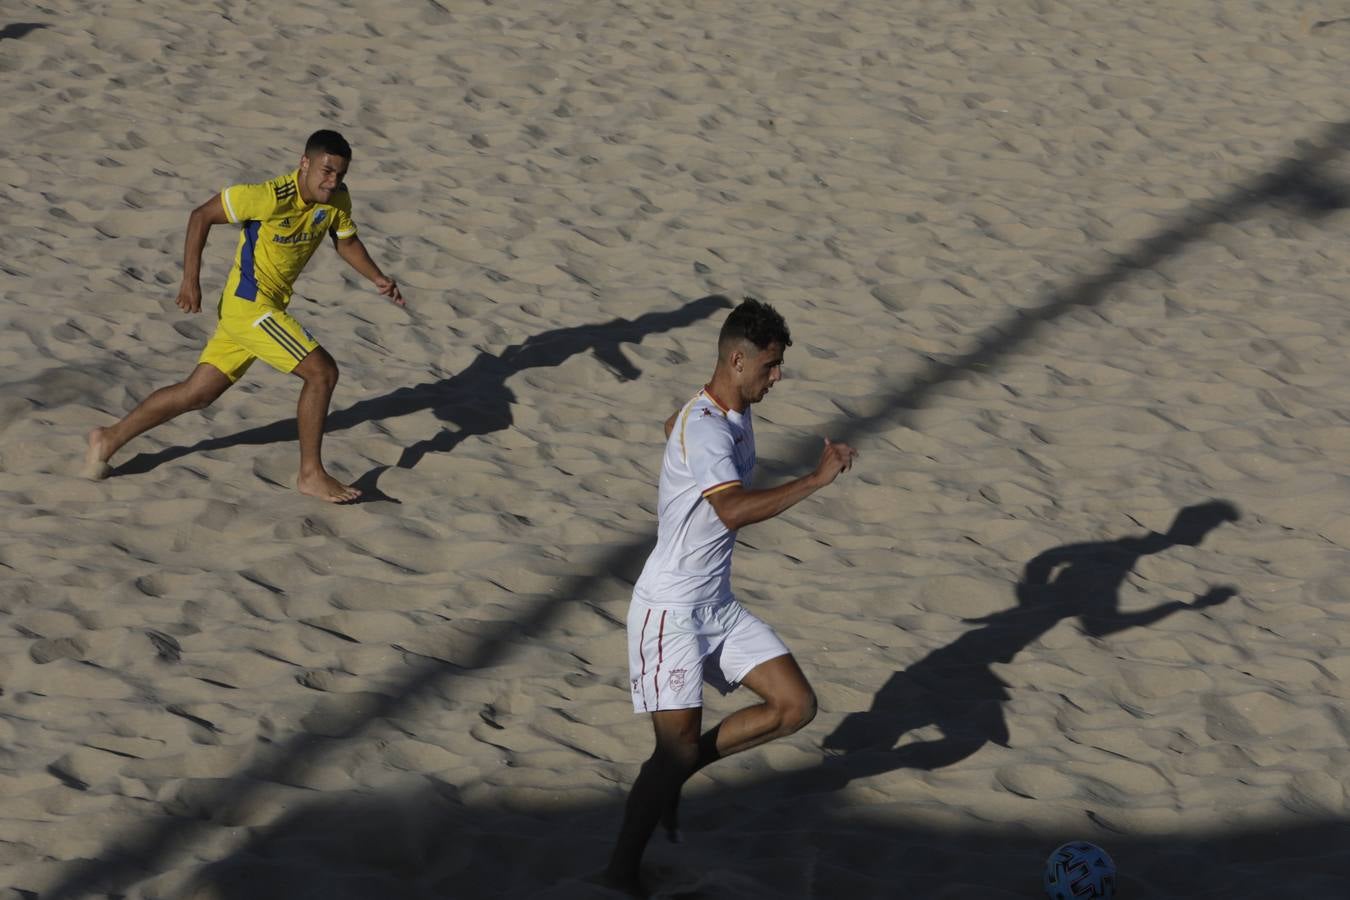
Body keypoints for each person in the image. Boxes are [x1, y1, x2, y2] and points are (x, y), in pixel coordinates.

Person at [605, 298, 858, 894]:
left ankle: (681, 769)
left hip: (715, 604)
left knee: (795, 706)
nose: (779, 376)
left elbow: (673, 428)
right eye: (771, 367)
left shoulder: (724, 411)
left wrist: (683, 437)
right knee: (670, 755)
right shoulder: (708, 425)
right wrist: (814, 481)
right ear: (738, 360)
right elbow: (733, 510)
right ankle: (618, 875)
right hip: (668, 612)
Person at [84, 129, 403, 502]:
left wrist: (377, 277)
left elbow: (345, 240)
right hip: (250, 307)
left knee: (196, 394)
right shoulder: (267, 197)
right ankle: (311, 474)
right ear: (304, 163)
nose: (332, 182)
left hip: (259, 310)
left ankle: (108, 438)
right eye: (326, 171)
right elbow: (201, 215)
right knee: (322, 372)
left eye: (340, 175)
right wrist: (190, 280)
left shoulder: (337, 201)